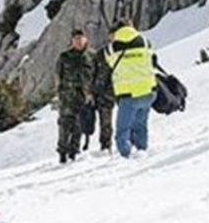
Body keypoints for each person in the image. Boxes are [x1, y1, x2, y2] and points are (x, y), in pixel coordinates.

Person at [104, 19, 158, 158]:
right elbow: (153, 60)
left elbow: (108, 63)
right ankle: (142, 150)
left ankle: (125, 155)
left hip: (128, 95)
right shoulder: (146, 42)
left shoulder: (111, 48)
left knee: (123, 129)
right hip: (148, 91)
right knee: (140, 125)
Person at [55, 29, 95, 163]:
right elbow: (58, 76)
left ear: (85, 39)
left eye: (81, 38)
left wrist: (91, 93)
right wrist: (60, 92)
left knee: (79, 125)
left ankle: (74, 151)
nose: (78, 41)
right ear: (72, 41)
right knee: (64, 124)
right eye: (76, 38)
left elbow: (95, 75)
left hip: (84, 96)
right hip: (67, 96)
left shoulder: (91, 55)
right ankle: (62, 152)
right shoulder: (65, 56)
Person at [92, 29, 117, 152]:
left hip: (123, 88)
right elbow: (95, 72)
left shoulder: (126, 50)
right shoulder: (102, 53)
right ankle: (106, 145)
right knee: (105, 121)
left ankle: (129, 142)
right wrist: (95, 89)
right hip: (105, 92)